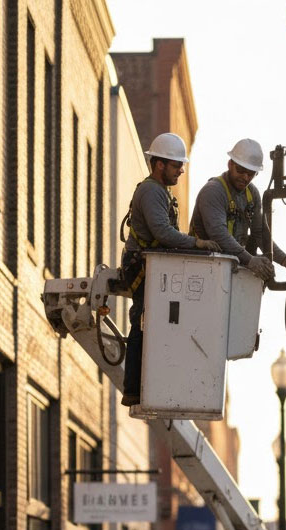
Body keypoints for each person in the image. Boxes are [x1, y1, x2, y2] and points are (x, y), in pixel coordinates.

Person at [120, 132, 221, 406]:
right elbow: (163, 233)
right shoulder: (151, 191)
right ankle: (133, 388)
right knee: (142, 322)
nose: (181, 170)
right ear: (160, 164)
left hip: (152, 265)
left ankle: (149, 383)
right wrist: (197, 243)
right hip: (141, 266)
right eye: (177, 165)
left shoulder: (161, 192)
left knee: (155, 323)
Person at [189, 138, 286, 283]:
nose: (245, 177)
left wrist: (285, 260)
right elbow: (218, 234)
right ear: (230, 164)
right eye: (241, 171)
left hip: (228, 264)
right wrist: (250, 260)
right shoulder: (213, 191)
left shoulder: (251, 194)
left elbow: (259, 232)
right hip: (202, 265)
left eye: (251, 173)